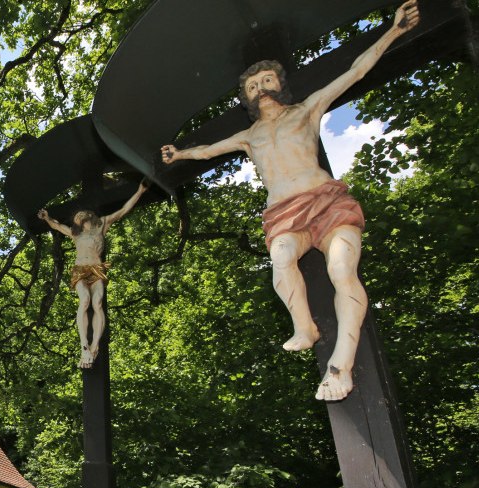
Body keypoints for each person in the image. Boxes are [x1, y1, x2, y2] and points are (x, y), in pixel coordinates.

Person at [161, 0, 420, 401]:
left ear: (279, 83)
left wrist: (394, 31)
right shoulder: (250, 137)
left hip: (326, 202)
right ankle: (305, 326)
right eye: (252, 86)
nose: (260, 89)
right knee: (280, 259)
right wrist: (179, 154)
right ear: (245, 98)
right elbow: (208, 150)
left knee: (340, 269)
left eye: (266, 81)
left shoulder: (307, 109)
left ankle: (341, 365)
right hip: (284, 214)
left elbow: (355, 71)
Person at [38, 182, 149, 368]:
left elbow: (124, 209)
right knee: (85, 300)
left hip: (97, 269)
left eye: (82, 214)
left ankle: (94, 345)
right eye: (76, 216)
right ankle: (83, 346)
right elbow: (57, 226)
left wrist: (140, 191)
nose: (79, 216)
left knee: (97, 303)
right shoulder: (75, 234)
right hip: (80, 269)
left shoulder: (102, 225)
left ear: (90, 215)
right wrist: (47, 218)